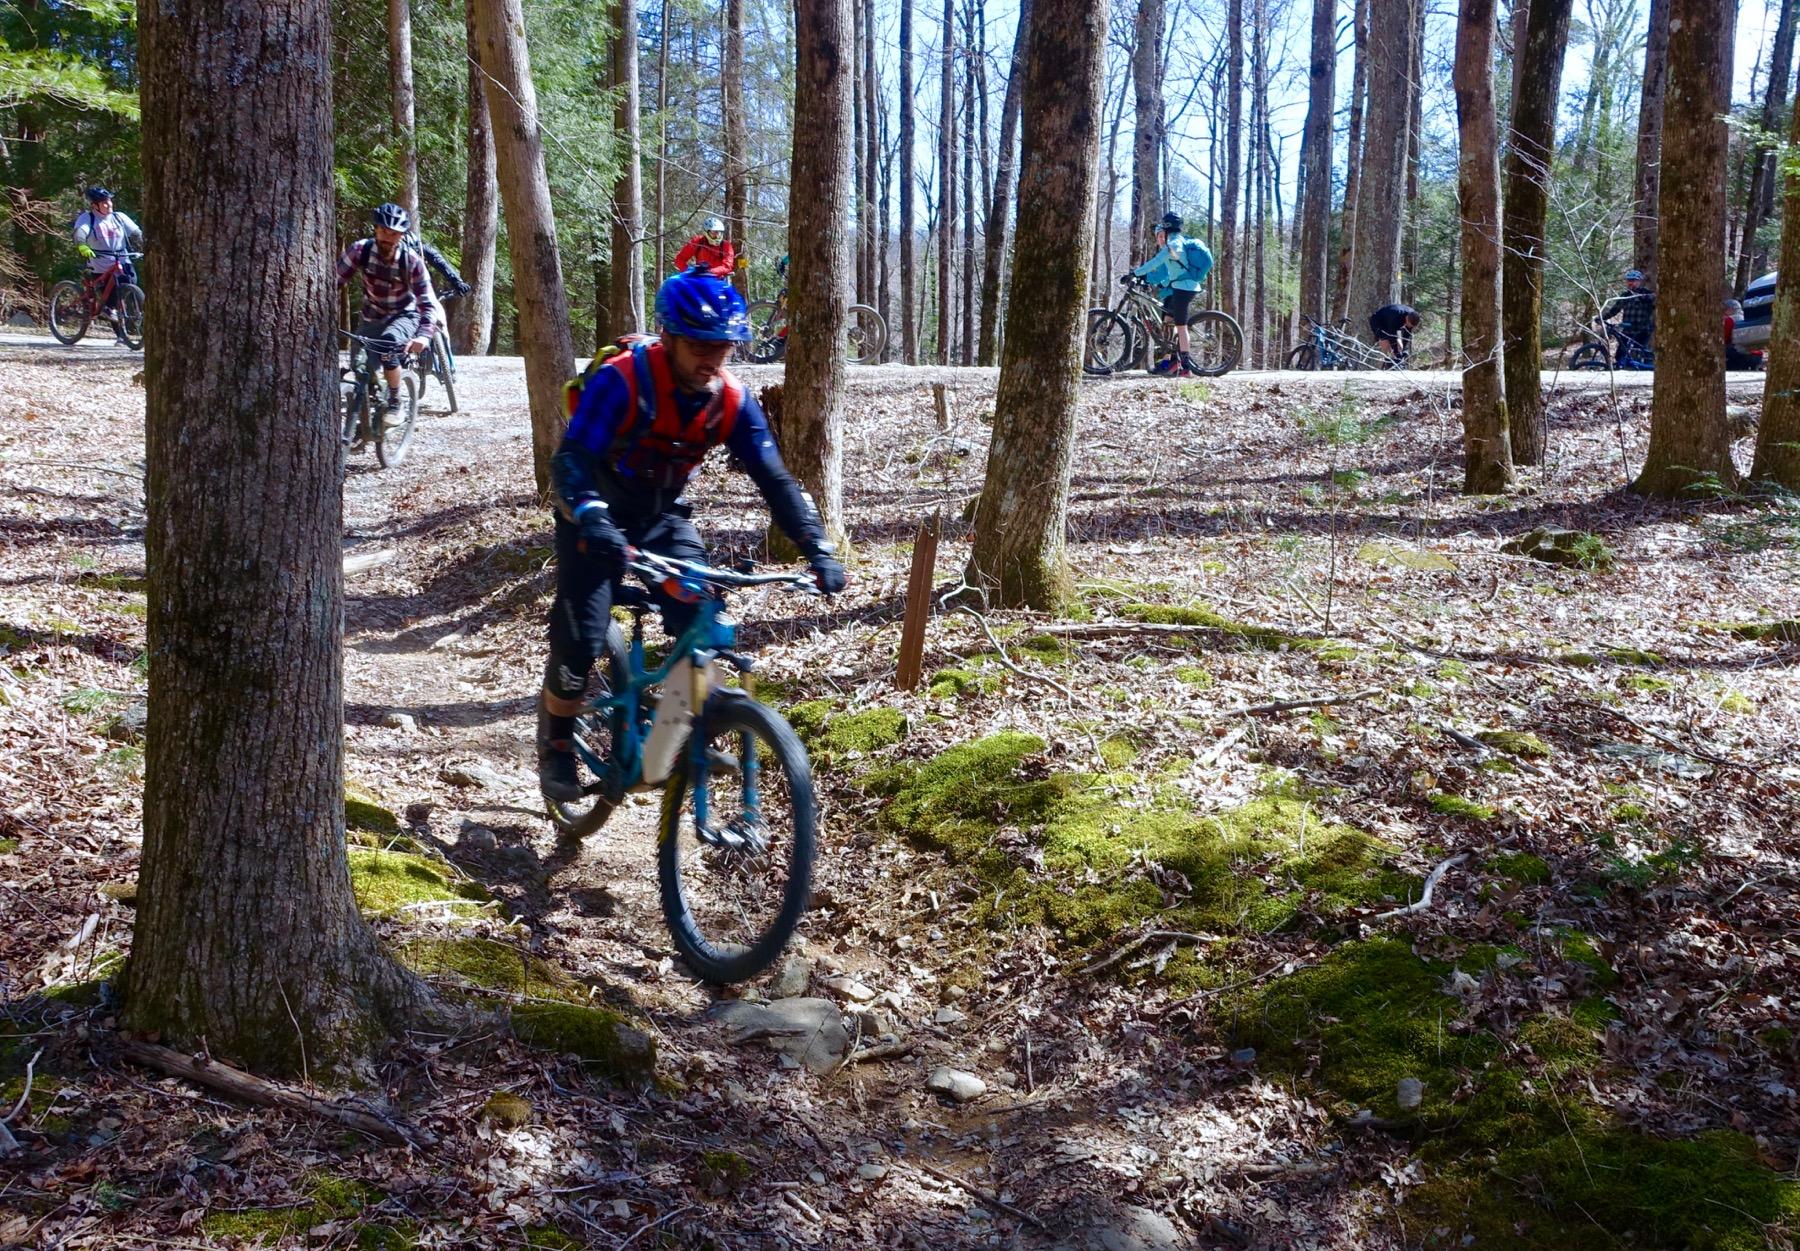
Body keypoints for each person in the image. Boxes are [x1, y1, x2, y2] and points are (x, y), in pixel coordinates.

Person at [537, 269, 846, 801]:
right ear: (671, 338)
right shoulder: (624, 381)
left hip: (662, 517)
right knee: (583, 636)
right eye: (701, 344)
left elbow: (774, 479)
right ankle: (558, 744)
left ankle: (684, 736)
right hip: (593, 513)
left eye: (723, 346)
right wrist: (591, 516)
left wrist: (816, 545)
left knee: (699, 618)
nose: (713, 358)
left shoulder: (730, 399)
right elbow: (571, 459)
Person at [334, 203, 442, 419]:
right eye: (384, 230)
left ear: (402, 235)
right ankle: (361, 421)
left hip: (404, 316)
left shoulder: (411, 261)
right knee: (360, 366)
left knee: (389, 344)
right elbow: (333, 281)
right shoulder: (360, 250)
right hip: (371, 317)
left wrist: (424, 335)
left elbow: (427, 303)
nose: (387, 237)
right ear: (376, 229)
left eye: (394, 233)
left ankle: (395, 401)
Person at [1130, 211, 1213, 376]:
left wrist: (1135, 273)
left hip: (1184, 289)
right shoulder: (1177, 242)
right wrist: (1146, 278)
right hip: (1181, 286)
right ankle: (1170, 362)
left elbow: (1156, 262)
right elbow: (1168, 270)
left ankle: (1186, 368)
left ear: (1167, 228)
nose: (1160, 238)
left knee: (1181, 328)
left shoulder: (1173, 245)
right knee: (1168, 322)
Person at [71, 187, 144, 343]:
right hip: (99, 261)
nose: (109, 204)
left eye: (109, 201)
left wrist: (144, 245)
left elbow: (136, 233)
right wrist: (83, 246)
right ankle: (120, 335)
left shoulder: (119, 217)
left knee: (130, 285)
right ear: (95, 205)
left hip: (122, 257)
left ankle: (125, 320)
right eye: (104, 202)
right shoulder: (87, 218)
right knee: (111, 299)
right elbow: (80, 233)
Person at [1598, 268, 1655, 356]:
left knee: (1642, 352)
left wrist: (1639, 296)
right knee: (1620, 353)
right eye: (1628, 281)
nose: (1630, 283)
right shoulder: (1625, 296)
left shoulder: (1646, 293)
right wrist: (1602, 318)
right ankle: (1621, 368)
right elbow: (1614, 310)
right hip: (1628, 329)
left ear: (1639, 281)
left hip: (1643, 329)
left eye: (1633, 280)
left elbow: (1654, 299)